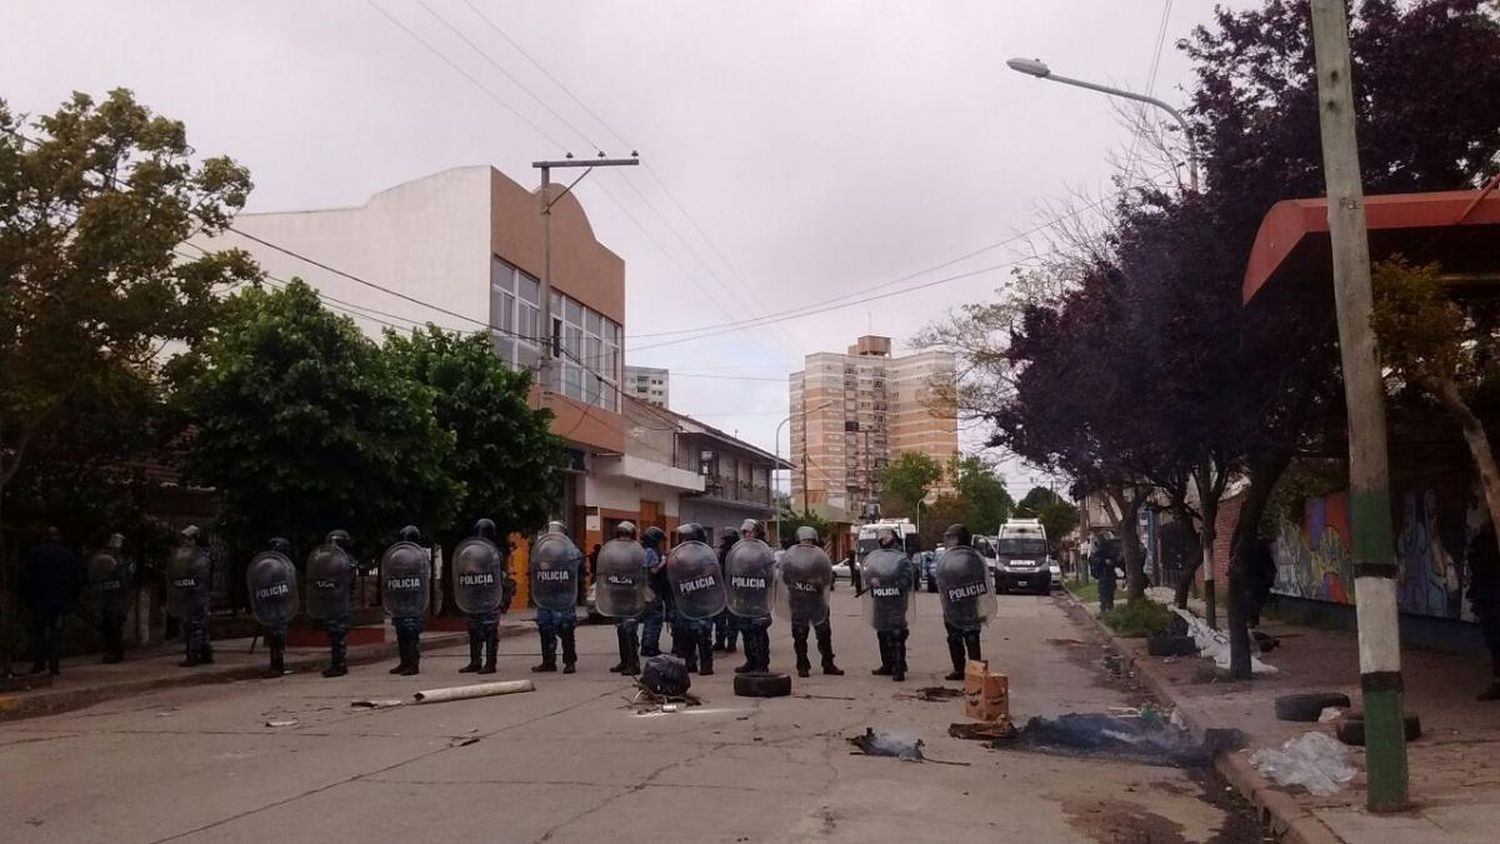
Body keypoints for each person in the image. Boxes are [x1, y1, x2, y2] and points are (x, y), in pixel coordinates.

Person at [20, 526, 86, 676]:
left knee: (40, 632)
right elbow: (78, 579)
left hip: (40, 601)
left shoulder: (36, 554)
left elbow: (25, 578)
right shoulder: (67, 555)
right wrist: (72, 598)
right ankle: (54, 664)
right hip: (60, 602)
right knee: (56, 633)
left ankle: (40, 662)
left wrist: (28, 598)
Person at [782, 526, 843, 678]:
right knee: (800, 635)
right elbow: (785, 577)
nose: (807, 543)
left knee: (824, 633)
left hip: (817, 601)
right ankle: (802, 665)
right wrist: (797, 580)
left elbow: (829, 577)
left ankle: (828, 664)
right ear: (798, 541)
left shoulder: (820, 558)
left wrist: (819, 581)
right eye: (804, 540)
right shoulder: (791, 558)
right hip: (798, 601)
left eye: (809, 540)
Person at [456, 519, 514, 675]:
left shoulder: (494, 552)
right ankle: (475, 661)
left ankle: (490, 663)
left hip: (489, 596)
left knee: (489, 630)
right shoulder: (472, 551)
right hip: (475, 594)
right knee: (473, 628)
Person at [936, 524, 991, 681]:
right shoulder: (947, 558)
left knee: (971, 635)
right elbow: (941, 576)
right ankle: (959, 669)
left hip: (968, 602)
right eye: (949, 538)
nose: (950, 541)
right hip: (952, 602)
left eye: (953, 538)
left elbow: (980, 579)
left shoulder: (973, 557)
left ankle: (975, 669)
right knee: (953, 637)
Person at [667, 522, 722, 675]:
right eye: (682, 539)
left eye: (686, 538)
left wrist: (697, 575)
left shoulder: (706, 554)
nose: (684, 542)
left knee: (702, 631)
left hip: (701, 597)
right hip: (684, 597)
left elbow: (712, 572)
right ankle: (689, 662)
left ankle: (706, 665)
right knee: (684, 632)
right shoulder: (677, 553)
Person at [530, 521, 582, 674]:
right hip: (546, 594)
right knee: (545, 627)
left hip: (563, 594)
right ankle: (548, 661)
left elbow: (576, 565)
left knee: (566, 627)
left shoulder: (570, 549)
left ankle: (569, 662)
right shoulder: (542, 548)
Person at [863, 526, 914, 682]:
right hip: (880, 599)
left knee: (897, 633)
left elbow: (908, 577)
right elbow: (869, 571)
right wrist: (871, 579)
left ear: (894, 537)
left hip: (896, 600)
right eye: (881, 537)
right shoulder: (877, 556)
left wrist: (894, 584)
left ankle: (898, 667)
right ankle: (887, 664)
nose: (883, 539)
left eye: (886, 536)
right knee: (882, 632)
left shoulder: (901, 557)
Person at [599, 521, 650, 676]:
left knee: (629, 630)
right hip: (618, 592)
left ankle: (633, 664)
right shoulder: (611, 549)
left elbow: (643, 573)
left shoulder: (637, 550)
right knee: (622, 630)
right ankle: (624, 661)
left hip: (631, 594)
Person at [726, 519, 775, 674]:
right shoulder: (739, 551)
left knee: (759, 629)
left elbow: (770, 576)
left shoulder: (764, 551)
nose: (747, 535)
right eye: (745, 532)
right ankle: (750, 661)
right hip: (743, 595)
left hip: (758, 596)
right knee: (745, 629)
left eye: (750, 532)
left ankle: (762, 664)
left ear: (758, 533)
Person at [383, 525, 432, 676]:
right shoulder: (398, 556)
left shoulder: (419, 557)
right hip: (401, 600)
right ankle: (404, 662)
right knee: (401, 634)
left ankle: (413, 664)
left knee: (411, 635)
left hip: (413, 601)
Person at [248, 537, 299, 679]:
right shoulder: (276, 566)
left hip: (278, 606)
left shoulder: (283, 567)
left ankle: (277, 666)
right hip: (274, 605)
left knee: (277, 637)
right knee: (275, 637)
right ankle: (276, 665)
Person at [170, 526, 215, 668]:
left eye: (188, 539)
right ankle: (206, 653)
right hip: (196, 593)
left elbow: (199, 576)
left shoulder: (201, 557)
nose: (185, 542)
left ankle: (193, 655)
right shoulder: (202, 555)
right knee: (201, 624)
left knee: (194, 624)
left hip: (197, 593)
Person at [87, 533, 135, 664]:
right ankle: (113, 652)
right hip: (107, 598)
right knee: (109, 626)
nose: (113, 550)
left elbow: (126, 580)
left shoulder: (124, 562)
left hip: (117, 599)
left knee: (114, 626)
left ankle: (115, 653)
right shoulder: (107, 559)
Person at [1468, 523, 1500, 701]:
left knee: (1495, 641)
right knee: (1494, 641)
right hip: (1489, 595)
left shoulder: (1483, 539)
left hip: (1489, 595)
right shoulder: (1484, 539)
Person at [640, 526, 670, 657]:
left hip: (649, 589)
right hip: (652, 590)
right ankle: (650, 646)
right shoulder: (650, 552)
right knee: (655, 618)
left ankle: (647, 645)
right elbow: (653, 571)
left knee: (650, 619)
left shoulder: (644, 551)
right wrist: (664, 561)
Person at [713, 525, 741, 654]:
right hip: (728, 587)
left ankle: (724, 642)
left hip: (730, 587)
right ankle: (727, 642)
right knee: (726, 617)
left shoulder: (736, 553)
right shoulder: (732, 552)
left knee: (726, 617)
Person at [1090, 537, 1119, 613]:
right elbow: (1093, 560)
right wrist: (1104, 561)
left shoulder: (1111, 550)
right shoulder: (1099, 552)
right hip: (1103, 575)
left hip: (1109, 575)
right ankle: (1104, 609)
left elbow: (1116, 560)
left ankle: (1108, 609)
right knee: (1104, 594)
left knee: (1109, 594)